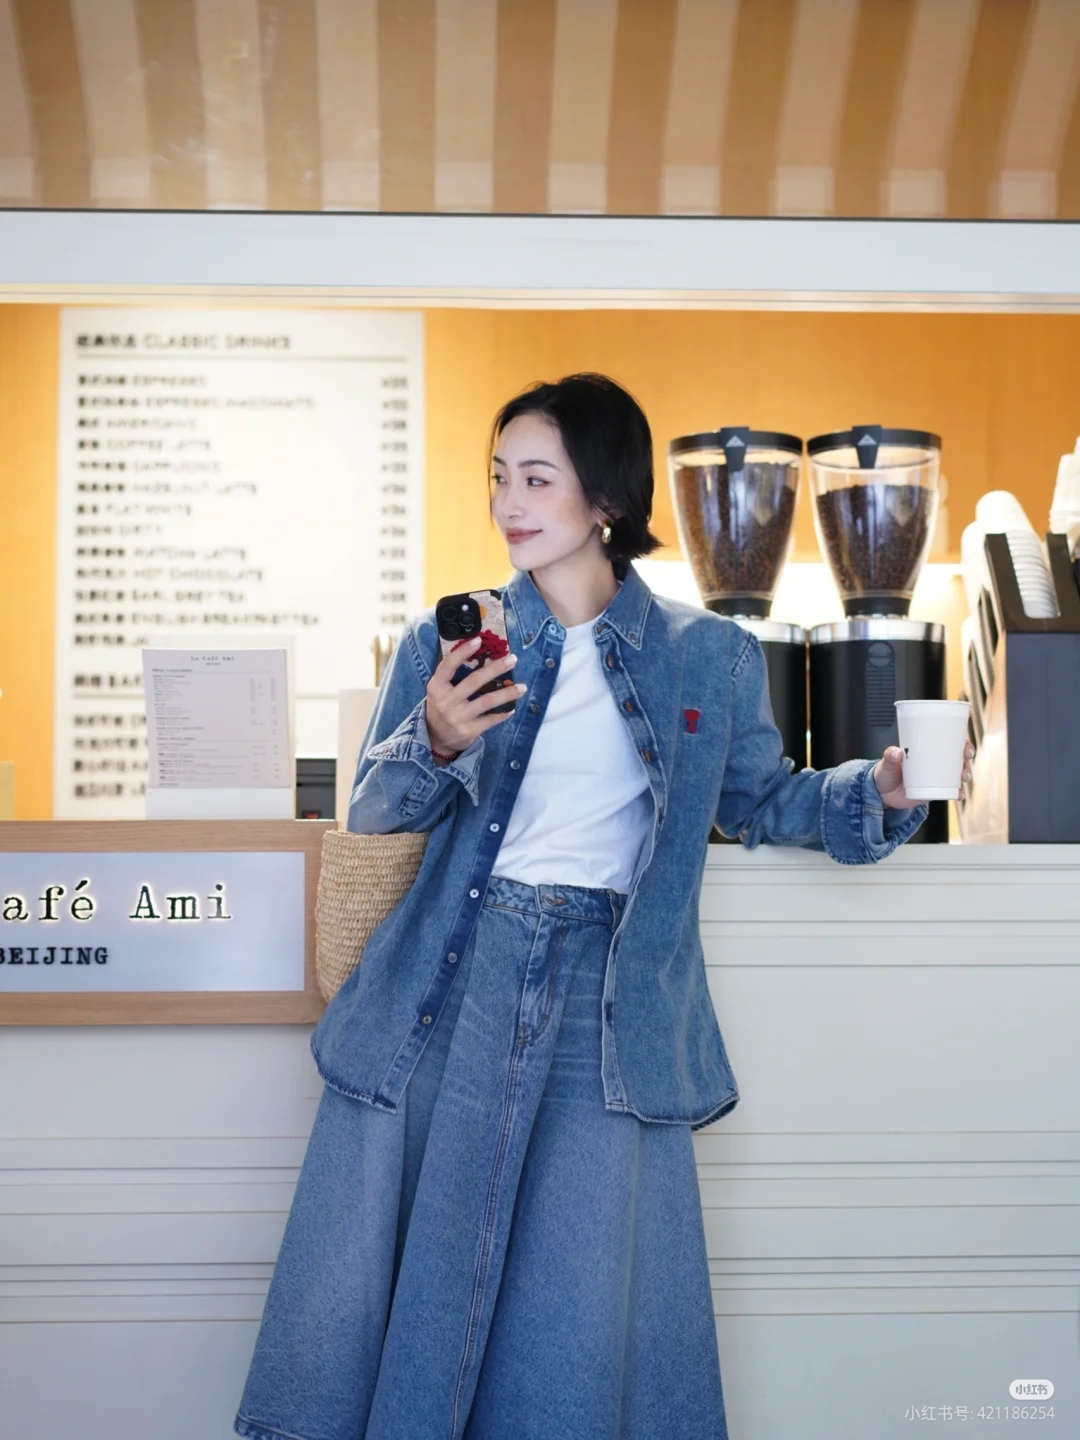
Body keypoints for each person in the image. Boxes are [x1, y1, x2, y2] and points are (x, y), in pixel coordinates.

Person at [234, 373, 972, 1440]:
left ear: (608, 499)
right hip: (460, 974)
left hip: (607, 993)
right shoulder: (444, 641)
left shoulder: (708, 656)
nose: (509, 502)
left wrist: (883, 793)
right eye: (500, 477)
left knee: (573, 1298)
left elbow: (762, 802)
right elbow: (374, 814)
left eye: (537, 479)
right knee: (437, 1274)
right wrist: (433, 736)